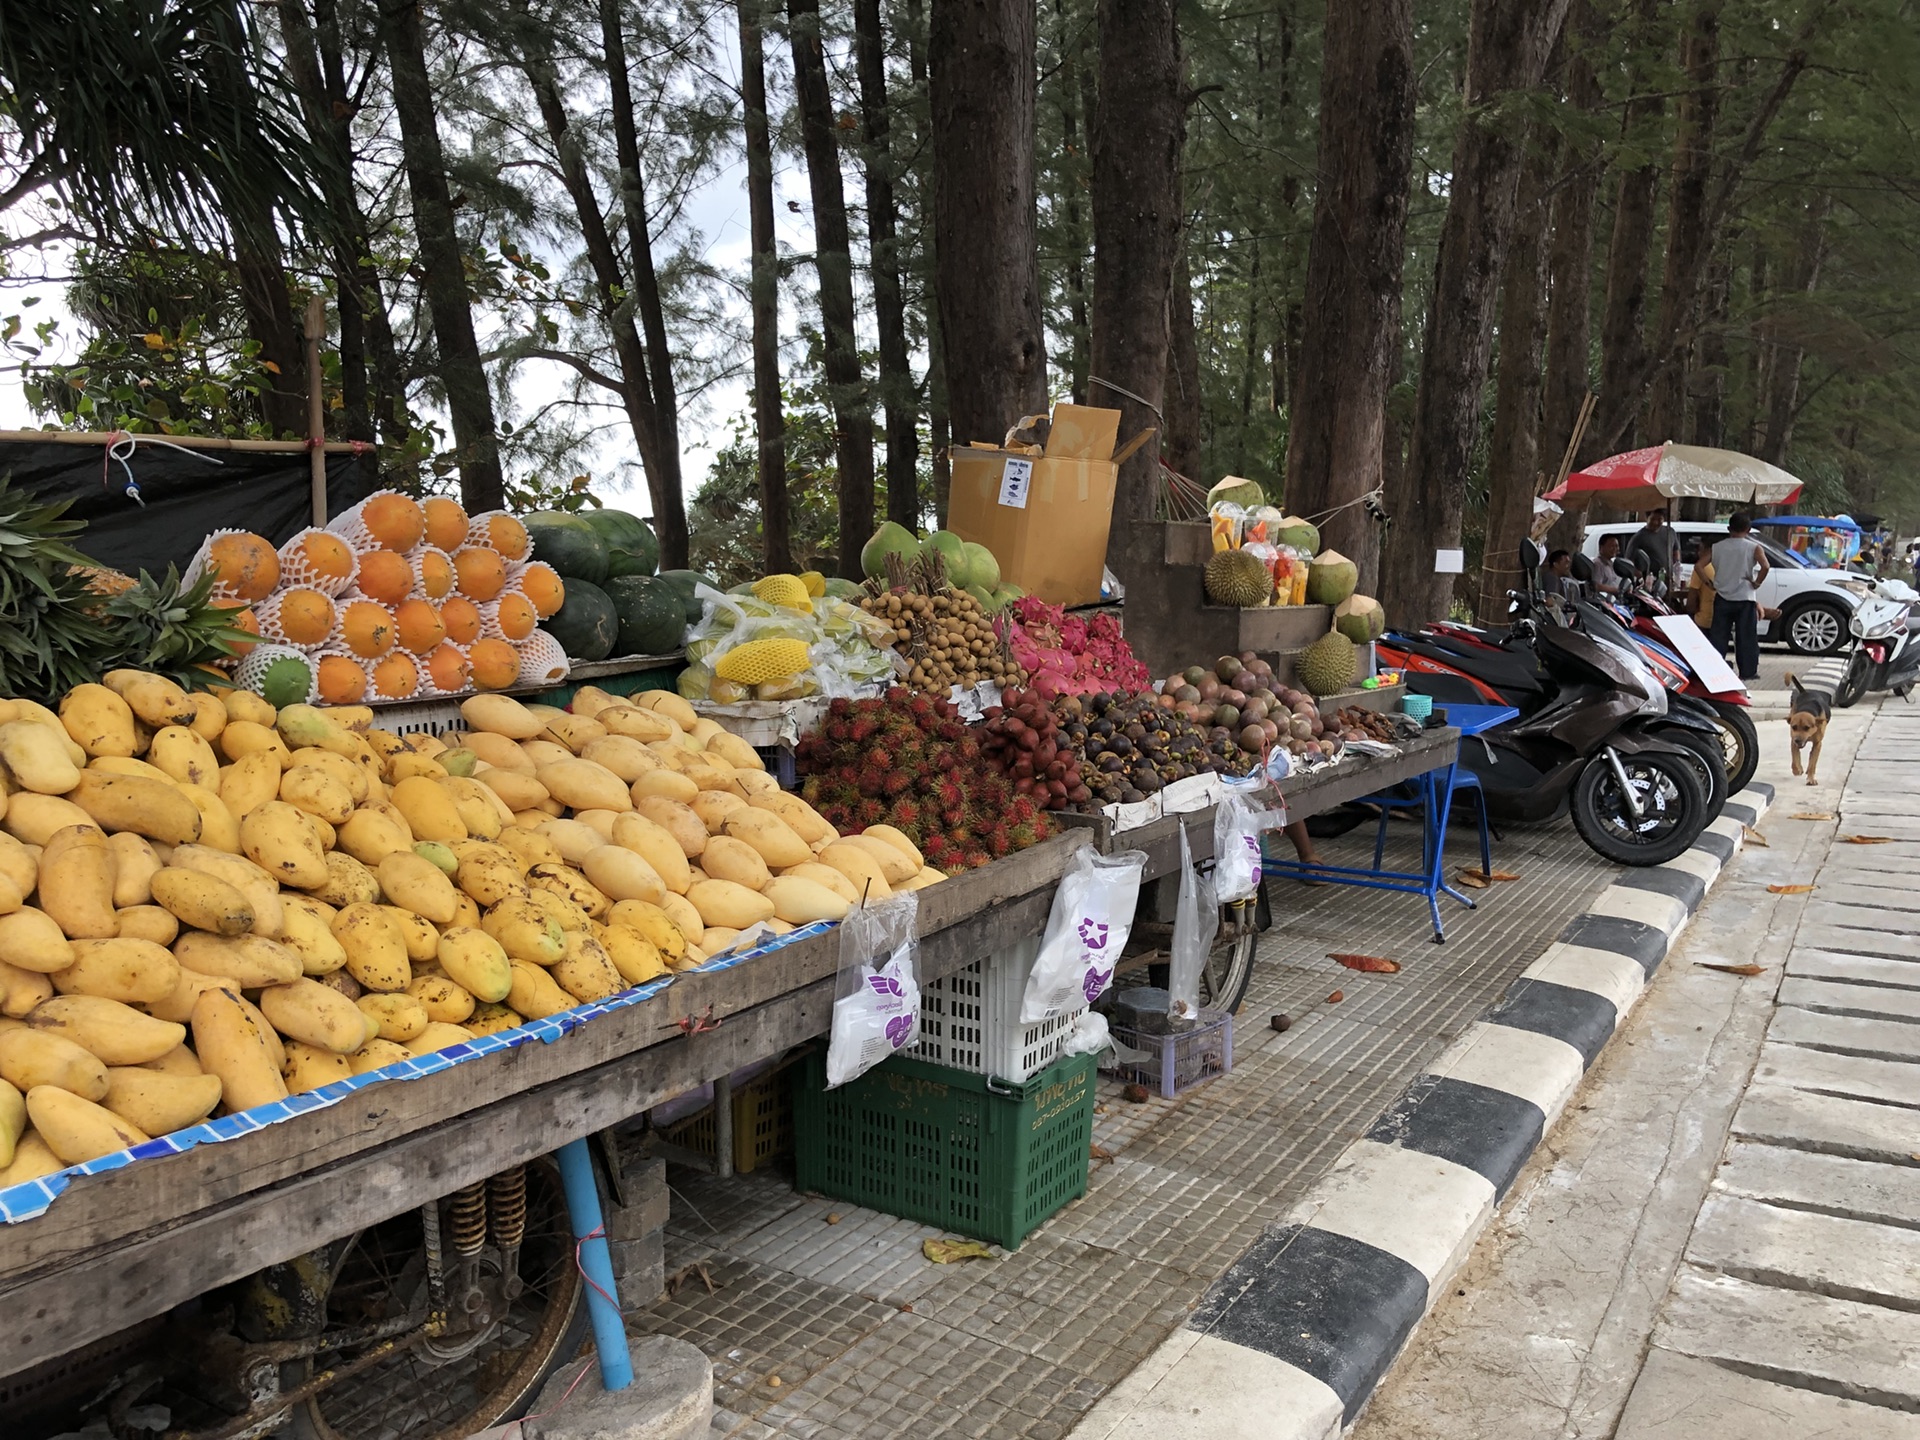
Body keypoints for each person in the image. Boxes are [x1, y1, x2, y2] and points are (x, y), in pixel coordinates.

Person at [1709, 513, 1769, 682]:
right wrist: (1757, 583)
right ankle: (1748, 671)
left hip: (1722, 597)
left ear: (1729, 528)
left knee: (1719, 636)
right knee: (1746, 637)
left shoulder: (1717, 547)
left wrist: (1709, 583)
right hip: (1745, 597)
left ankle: (1715, 667)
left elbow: (1699, 565)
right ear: (1748, 530)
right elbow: (1765, 566)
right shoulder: (1753, 548)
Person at [1627, 509, 1681, 593]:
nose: (1656, 522)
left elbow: (1676, 552)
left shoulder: (1670, 532)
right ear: (1647, 518)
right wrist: (1642, 577)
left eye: (1659, 519)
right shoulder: (1639, 537)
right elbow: (1630, 561)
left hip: (1668, 580)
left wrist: (1675, 570)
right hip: (1650, 583)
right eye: (1652, 519)